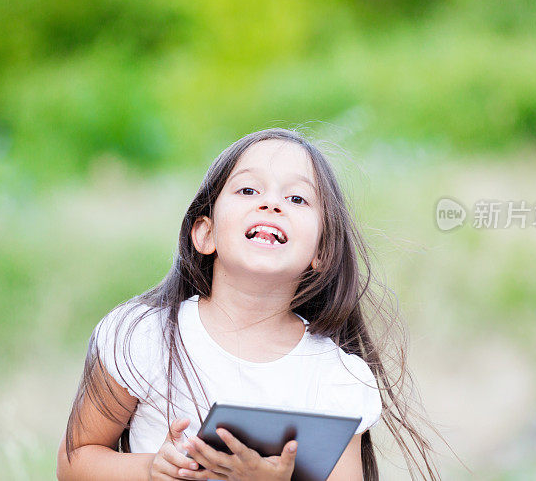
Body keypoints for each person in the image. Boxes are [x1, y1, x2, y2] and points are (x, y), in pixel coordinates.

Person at [57, 128, 443, 480]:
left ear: (321, 252)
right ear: (205, 232)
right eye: (248, 191)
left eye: (296, 198)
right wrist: (153, 470)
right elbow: (74, 462)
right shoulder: (145, 334)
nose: (272, 204)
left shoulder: (337, 379)